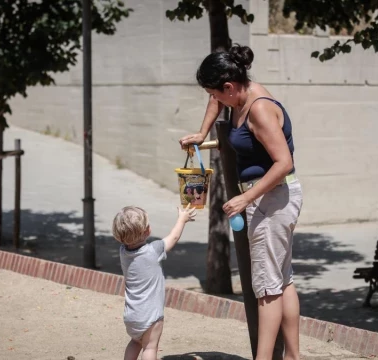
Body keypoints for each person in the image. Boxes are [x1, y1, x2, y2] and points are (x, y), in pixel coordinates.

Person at [179, 44, 303, 360]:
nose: (216, 100)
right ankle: (294, 357)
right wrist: (202, 132)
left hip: (271, 199)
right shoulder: (240, 93)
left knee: (267, 289)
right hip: (271, 198)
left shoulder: (258, 109)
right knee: (282, 280)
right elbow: (213, 100)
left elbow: (284, 162)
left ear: (229, 87)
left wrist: (244, 198)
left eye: (219, 94)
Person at [112, 204, 197, 360]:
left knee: (135, 342)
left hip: (131, 315)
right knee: (150, 347)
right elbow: (174, 237)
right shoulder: (153, 250)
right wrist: (182, 219)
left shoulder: (123, 252)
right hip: (150, 314)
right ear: (147, 231)